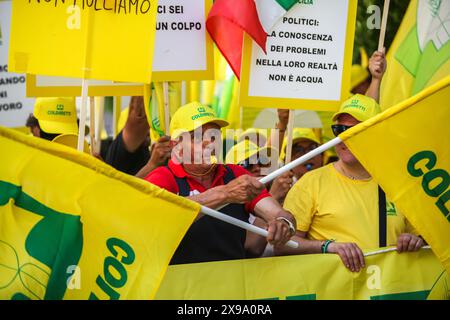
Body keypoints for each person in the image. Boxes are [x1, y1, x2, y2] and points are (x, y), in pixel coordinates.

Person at [276, 94, 424, 272]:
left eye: (355, 130)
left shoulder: (396, 182)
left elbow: (422, 236)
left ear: (376, 133)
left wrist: (414, 241)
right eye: (339, 129)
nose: (345, 137)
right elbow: (282, 245)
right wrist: (327, 247)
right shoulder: (311, 182)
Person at [144, 102, 297, 264]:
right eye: (196, 136)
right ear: (176, 146)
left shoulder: (235, 174)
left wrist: (284, 223)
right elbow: (157, 217)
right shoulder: (162, 177)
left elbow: (276, 212)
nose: (207, 142)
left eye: (213, 135)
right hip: (181, 286)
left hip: (231, 285)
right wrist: (225, 194)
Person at [104, 96, 172, 177]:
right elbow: (139, 116)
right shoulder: (118, 153)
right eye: (148, 123)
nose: (149, 130)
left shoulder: (146, 149)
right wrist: (152, 165)